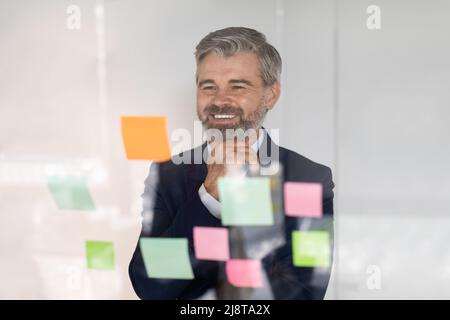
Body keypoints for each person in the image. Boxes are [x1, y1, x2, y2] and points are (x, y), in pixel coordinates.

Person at [129, 27, 335, 300]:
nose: (220, 100)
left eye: (238, 86)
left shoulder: (309, 178)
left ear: (270, 95)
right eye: (208, 86)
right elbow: (150, 286)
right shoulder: (168, 175)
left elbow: (305, 290)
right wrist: (207, 199)